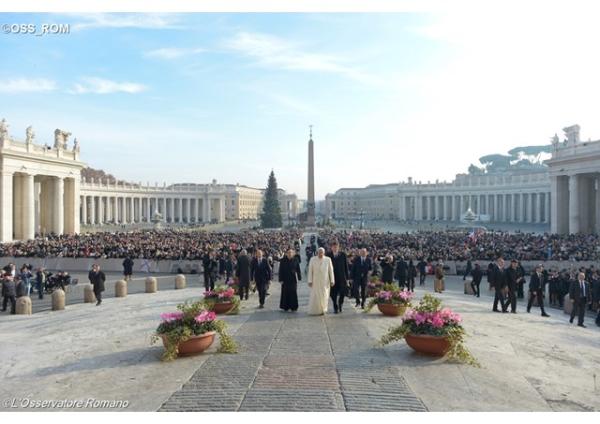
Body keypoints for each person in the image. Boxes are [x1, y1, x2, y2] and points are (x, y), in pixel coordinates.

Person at [307, 247, 335, 315]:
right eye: (319, 252)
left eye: (322, 252)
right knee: (315, 296)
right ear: (317, 253)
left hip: (325, 281)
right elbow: (310, 271)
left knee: (325, 295)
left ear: (324, 253)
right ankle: (316, 310)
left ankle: (323, 309)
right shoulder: (312, 259)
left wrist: (332, 280)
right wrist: (310, 281)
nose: (320, 254)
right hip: (315, 281)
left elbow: (331, 271)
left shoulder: (328, 259)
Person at [327, 240, 349, 313]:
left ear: (338, 247)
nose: (335, 248)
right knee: (333, 293)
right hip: (332, 278)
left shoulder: (343, 255)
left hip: (342, 277)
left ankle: (340, 303)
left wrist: (347, 278)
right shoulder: (328, 255)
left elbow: (346, 267)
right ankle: (335, 305)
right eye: (334, 247)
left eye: (336, 247)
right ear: (331, 247)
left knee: (342, 292)